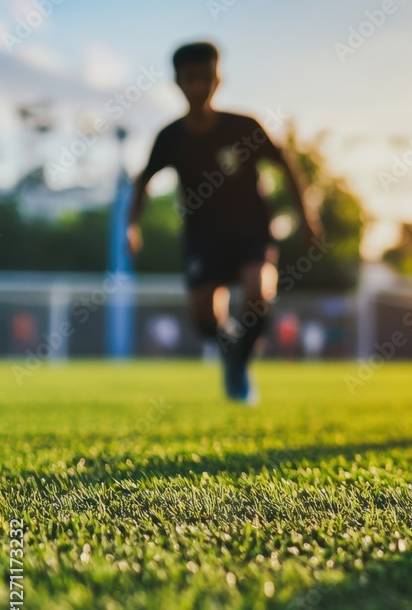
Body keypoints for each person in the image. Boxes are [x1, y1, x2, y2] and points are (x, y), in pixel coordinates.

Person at [127, 41, 322, 403]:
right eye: (191, 78)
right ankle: (231, 349)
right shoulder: (170, 138)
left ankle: (239, 368)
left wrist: (306, 215)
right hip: (203, 238)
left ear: (218, 80)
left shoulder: (244, 128)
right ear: (178, 82)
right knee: (203, 318)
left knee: (256, 294)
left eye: (206, 77)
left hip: (251, 232)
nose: (199, 86)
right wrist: (131, 225)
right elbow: (143, 182)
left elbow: (286, 166)